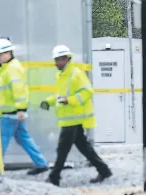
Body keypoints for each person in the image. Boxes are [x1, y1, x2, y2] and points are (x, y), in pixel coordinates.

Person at [40, 45, 112, 186]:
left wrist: (70, 101)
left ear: (66, 59)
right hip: (70, 118)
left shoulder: (76, 74)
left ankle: (54, 177)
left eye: (58, 60)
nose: (56, 64)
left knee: (62, 149)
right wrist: (48, 102)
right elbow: (60, 95)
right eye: (55, 60)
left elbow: (87, 92)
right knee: (83, 147)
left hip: (74, 118)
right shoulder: (61, 75)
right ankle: (104, 170)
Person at [0, 39, 49, 176]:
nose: (0, 57)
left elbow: (19, 90)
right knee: (23, 138)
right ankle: (41, 163)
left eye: (2, 54)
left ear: (9, 52)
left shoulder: (12, 68)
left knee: (1, 140)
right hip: (13, 112)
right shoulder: (7, 68)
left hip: (10, 113)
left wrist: (21, 109)